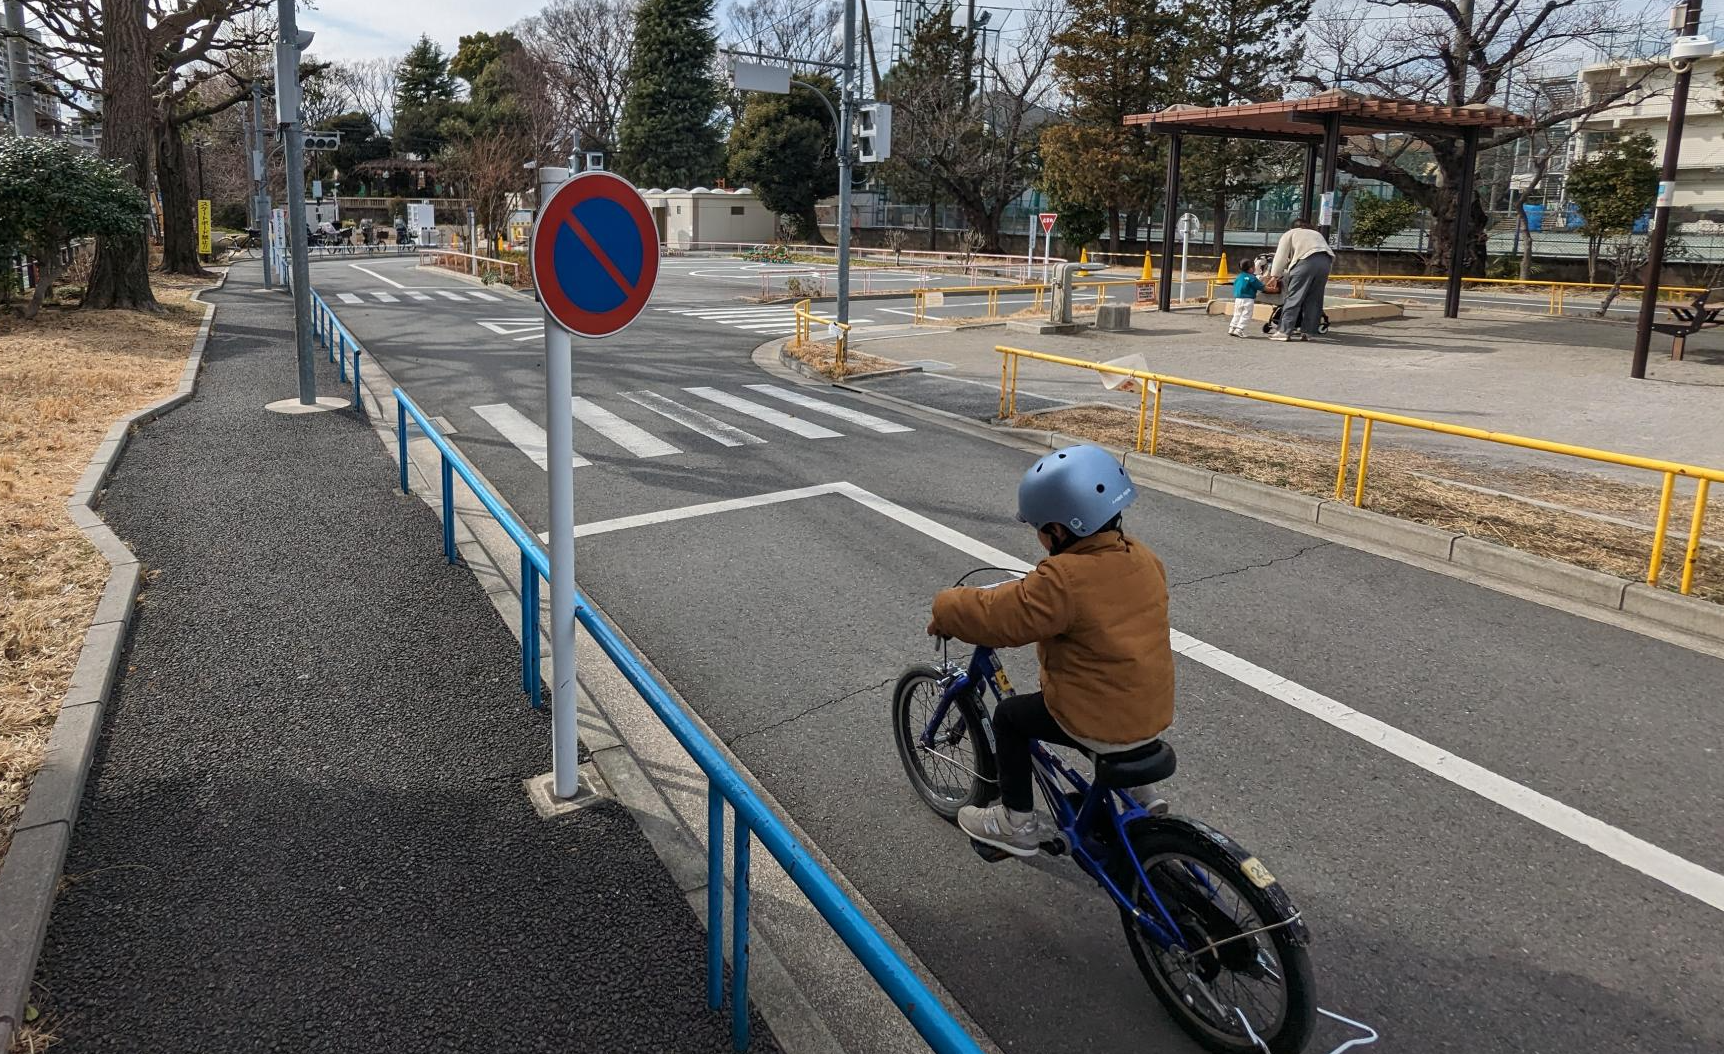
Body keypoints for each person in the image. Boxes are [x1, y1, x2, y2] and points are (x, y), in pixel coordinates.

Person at [926, 444, 1176, 857]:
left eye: (1040, 528)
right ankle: (1138, 790)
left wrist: (945, 608)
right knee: (1103, 703)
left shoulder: (1063, 580)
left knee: (1010, 717)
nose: (1040, 536)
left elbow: (999, 617)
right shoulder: (1143, 557)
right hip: (1150, 707)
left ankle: (1016, 823)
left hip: (1098, 715)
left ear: (1059, 530)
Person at [1268, 219, 1335, 342]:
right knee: (1314, 299)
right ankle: (1308, 332)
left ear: (1292, 227)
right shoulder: (1317, 233)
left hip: (1306, 261)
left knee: (1294, 297)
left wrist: (1274, 275)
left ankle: (1284, 332)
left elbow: (1281, 255)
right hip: (1326, 262)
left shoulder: (1291, 233)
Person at [1229, 259, 1265, 338]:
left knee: (1237, 314)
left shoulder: (1239, 276)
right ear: (1251, 268)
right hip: (1248, 299)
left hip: (1238, 299)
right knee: (1246, 315)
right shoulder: (1252, 278)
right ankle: (1239, 330)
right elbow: (1261, 287)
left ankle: (1232, 327)